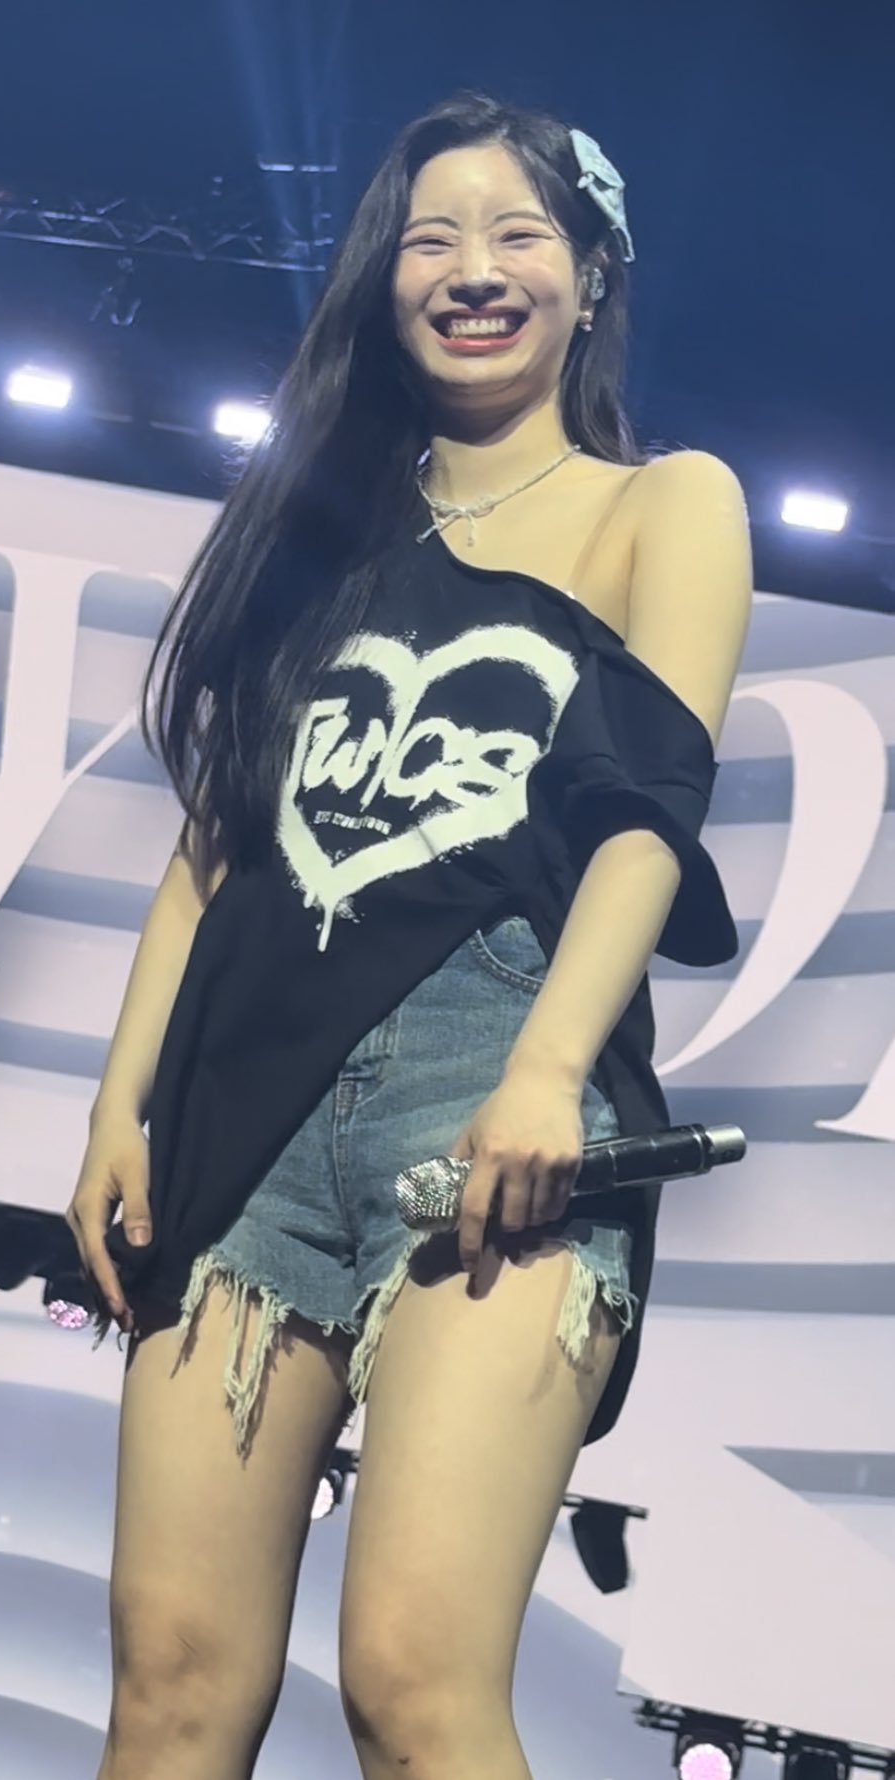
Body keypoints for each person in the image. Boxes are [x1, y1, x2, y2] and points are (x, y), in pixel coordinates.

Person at [66, 89, 752, 1780]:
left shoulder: (664, 504)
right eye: (432, 238)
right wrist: (117, 1107)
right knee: (169, 1682)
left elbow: (646, 814)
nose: (475, 270)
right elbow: (218, 848)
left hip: (491, 1084)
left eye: (520, 235)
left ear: (591, 275)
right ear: (385, 281)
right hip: (247, 1113)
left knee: (412, 1683)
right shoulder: (319, 539)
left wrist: (547, 1072)